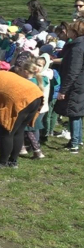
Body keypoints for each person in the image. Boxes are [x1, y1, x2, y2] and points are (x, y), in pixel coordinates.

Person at [54, 20, 84, 153]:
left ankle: (74, 143)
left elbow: (73, 70)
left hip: (77, 84)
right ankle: (78, 139)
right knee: (78, 113)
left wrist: (63, 89)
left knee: (74, 113)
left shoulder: (78, 47)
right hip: (80, 82)